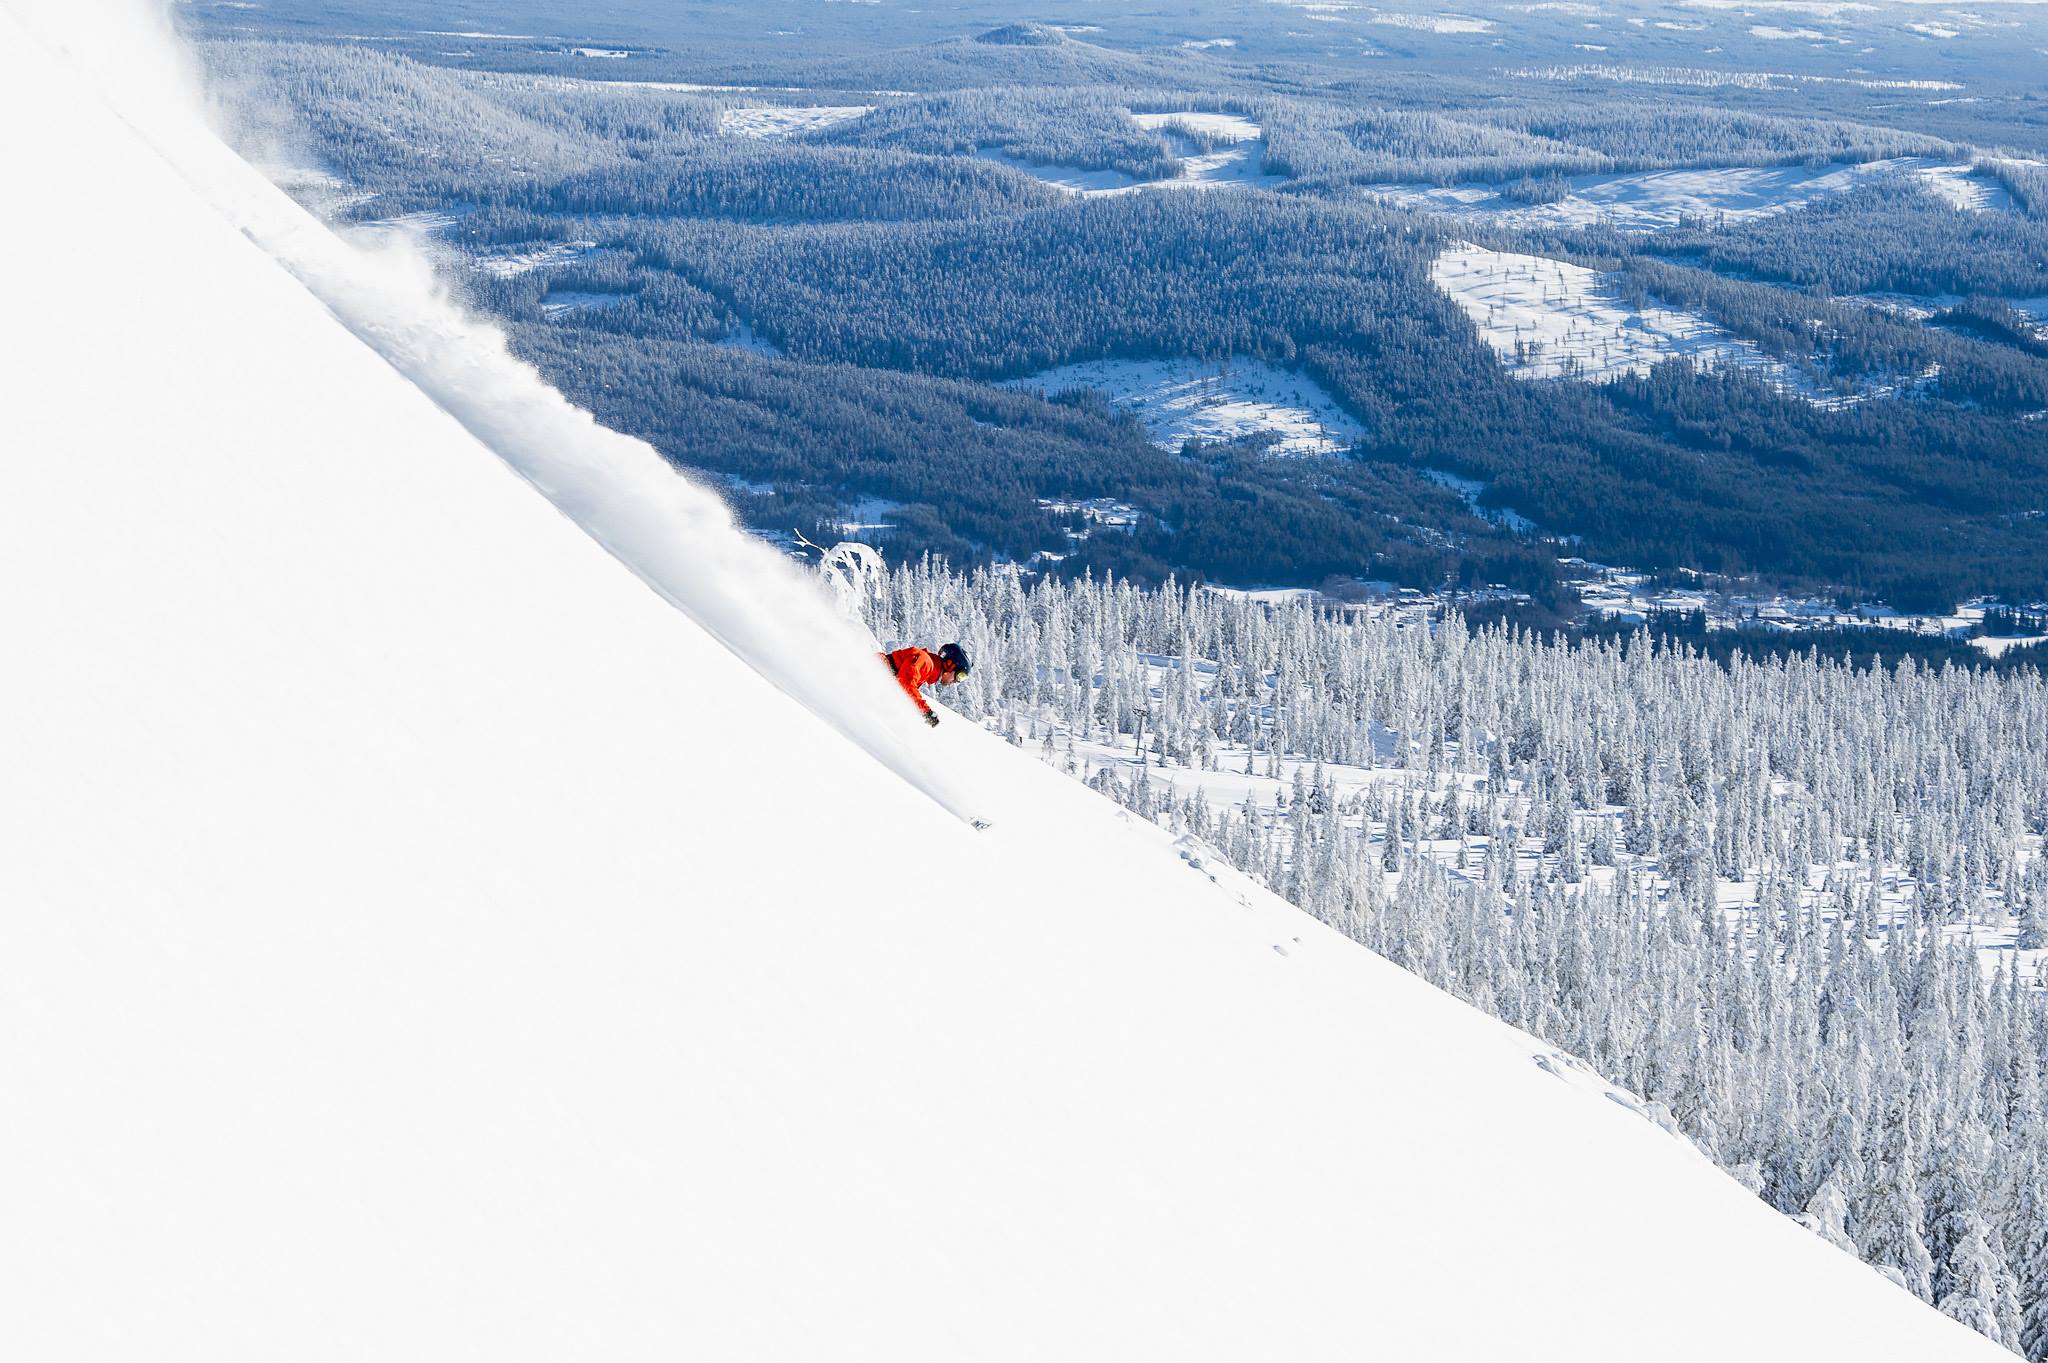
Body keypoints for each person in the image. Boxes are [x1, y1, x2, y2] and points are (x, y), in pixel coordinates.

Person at [882, 642, 970, 727]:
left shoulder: (928, 666)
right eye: (960, 676)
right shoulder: (926, 661)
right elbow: (906, 682)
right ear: (949, 664)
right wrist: (926, 711)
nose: (956, 681)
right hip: (876, 672)